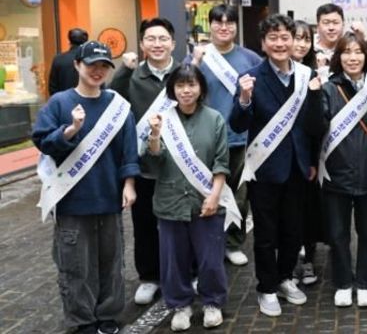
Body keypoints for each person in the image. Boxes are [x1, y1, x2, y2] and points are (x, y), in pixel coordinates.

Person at [32, 41, 139, 334]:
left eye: (104, 65)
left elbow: (129, 150)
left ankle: (108, 316)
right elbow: (42, 141)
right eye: (92, 64)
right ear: (78, 65)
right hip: (72, 201)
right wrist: (71, 130)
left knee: (111, 264)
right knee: (75, 267)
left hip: (109, 200)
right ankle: (81, 322)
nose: (98, 70)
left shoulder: (117, 106)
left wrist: (129, 184)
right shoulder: (59, 103)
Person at [229, 14, 323, 317]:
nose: (281, 43)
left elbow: (311, 125)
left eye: (286, 37)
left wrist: (310, 160)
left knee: (293, 230)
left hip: (297, 166)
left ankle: (285, 278)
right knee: (266, 234)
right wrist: (244, 99)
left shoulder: (306, 75)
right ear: (263, 43)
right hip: (265, 167)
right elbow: (238, 122)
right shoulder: (251, 77)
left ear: (294, 41)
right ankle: (266, 287)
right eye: (274, 38)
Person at [145, 64, 239, 331]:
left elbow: (222, 162)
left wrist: (214, 196)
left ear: (201, 88)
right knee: (174, 260)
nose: (186, 91)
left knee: (211, 259)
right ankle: (180, 305)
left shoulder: (215, 119)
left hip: (206, 200)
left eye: (192, 85)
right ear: (172, 89)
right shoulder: (162, 119)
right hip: (170, 201)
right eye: (180, 85)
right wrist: (154, 135)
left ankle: (213, 303)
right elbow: (154, 159)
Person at [109, 18, 180, 305]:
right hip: (145, 168)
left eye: (163, 39)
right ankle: (150, 277)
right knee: (145, 226)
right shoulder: (132, 76)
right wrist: (123, 71)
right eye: (151, 39)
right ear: (142, 44)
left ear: (173, 43)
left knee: (182, 225)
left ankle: (186, 272)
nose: (157, 44)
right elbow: (113, 104)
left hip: (179, 167)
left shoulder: (185, 74)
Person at [191, 4, 262, 267]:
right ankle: (209, 243)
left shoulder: (250, 58)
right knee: (206, 193)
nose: (224, 27)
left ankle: (233, 242)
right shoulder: (199, 57)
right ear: (210, 26)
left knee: (239, 194)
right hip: (206, 139)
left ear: (236, 26)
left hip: (241, 138)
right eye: (218, 22)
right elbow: (183, 89)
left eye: (229, 22)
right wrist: (195, 62)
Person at [319, 32, 367, 308]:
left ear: (366, 56)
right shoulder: (327, 87)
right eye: (346, 52)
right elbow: (317, 125)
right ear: (338, 57)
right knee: (338, 233)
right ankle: (344, 282)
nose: (352, 57)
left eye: (358, 52)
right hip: (336, 173)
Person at [290, 20, 323, 286]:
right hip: (279, 155)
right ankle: (289, 262)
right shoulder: (275, 73)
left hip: (308, 154)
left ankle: (309, 260)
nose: (301, 44)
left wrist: (313, 159)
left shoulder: (313, 74)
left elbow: (317, 124)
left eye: (306, 39)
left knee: (310, 211)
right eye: (296, 38)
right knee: (286, 214)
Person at [48, 28, 88, 95]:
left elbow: (52, 87)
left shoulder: (58, 59)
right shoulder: (90, 59)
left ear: (69, 41)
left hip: (63, 102)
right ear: (86, 42)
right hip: (88, 102)